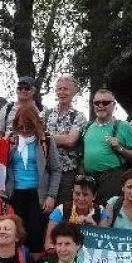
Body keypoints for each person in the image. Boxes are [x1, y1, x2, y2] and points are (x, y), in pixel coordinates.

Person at [4, 104, 59, 253]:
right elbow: (2, 166)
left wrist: (51, 196)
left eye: (28, 127)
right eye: (20, 127)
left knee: (35, 234)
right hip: (15, 194)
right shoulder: (10, 140)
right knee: (17, 235)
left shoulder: (45, 140)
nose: (24, 131)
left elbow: (55, 169)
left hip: (38, 195)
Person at [81, 89, 132, 204]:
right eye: (97, 103)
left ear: (113, 105)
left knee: (109, 214)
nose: (100, 106)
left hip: (113, 178)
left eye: (105, 103)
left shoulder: (124, 126)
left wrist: (120, 148)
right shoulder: (87, 127)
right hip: (89, 179)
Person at [43, 74, 88, 207]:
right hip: (47, 170)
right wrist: (61, 137)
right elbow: (38, 136)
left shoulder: (79, 116)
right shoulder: (46, 114)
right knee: (44, 208)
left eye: (66, 89)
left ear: (74, 92)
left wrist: (49, 137)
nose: (62, 92)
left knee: (64, 208)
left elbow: (70, 141)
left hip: (67, 172)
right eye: (59, 89)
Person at [43, 174, 108, 251]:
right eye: (77, 194)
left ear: (94, 195)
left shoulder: (101, 211)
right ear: (72, 192)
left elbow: (104, 244)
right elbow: (48, 244)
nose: (80, 198)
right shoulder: (60, 210)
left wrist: (93, 226)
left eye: (85, 194)